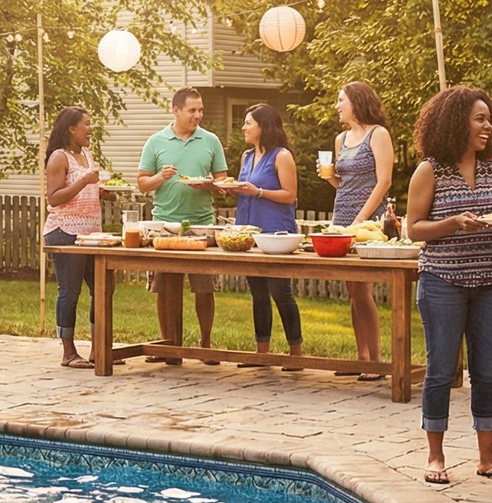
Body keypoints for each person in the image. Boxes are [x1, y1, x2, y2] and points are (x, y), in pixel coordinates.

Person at [406, 85, 492, 485]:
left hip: (488, 280)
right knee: (440, 371)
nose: (487, 126)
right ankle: (436, 456)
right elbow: (414, 228)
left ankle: (488, 458)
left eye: (489, 120)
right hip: (442, 280)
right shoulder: (430, 170)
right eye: (479, 119)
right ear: (456, 123)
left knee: (486, 372)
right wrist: (454, 222)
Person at [136, 88, 228, 363]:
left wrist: (210, 183)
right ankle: (169, 346)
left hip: (201, 225)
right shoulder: (156, 142)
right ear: (176, 110)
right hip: (164, 224)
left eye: (200, 110)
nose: (198, 115)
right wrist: (160, 178)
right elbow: (142, 183)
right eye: (192, 110)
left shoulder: (211, 140)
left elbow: (222, 179)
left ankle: (205, 344)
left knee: (204, 288)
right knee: (165, 287)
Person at [319, 81, 395, 379]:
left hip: (369, 221)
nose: (337, 106)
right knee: (352, 288)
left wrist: (361, 219)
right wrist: (329, 179)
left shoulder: (379, 134)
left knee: (363, 289)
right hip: (343, 216)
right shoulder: (341, 139)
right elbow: (343, 183)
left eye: (341, 100)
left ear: (356, 102)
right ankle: (361, 357)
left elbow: (384, 182)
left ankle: (375, 362)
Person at [225, 104, 302, 368]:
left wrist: (257, 191)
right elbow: (247, 189)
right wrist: (233, 189)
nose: (244, 127)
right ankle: (262, 354)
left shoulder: (282, 156)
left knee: (281, 292)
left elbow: (290, 195)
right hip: (249, 231)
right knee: (257, 293)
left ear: (263, 126)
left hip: (276, 232)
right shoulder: (246, 156)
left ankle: (296, 354)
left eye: (248, 123)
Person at [41, 106, 100, 368]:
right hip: (64, 232)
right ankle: (69, 352)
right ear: (71, 129)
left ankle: (98, 348)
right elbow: (54, 198)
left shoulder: (86, 153)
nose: (90, 129)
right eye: (86, 124)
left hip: (91, 234)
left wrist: (101, 190)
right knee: (70, 292)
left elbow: (84, 190)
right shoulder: (58, 157)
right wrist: (84, 182)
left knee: (101, 289)